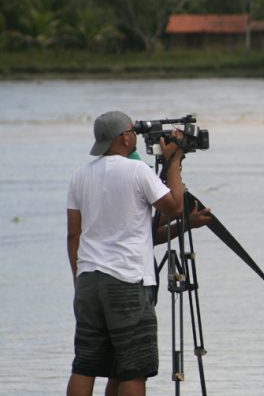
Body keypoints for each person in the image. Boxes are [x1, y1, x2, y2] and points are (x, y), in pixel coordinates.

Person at [66, 110, 185, 396]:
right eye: (132, 130)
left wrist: (78, 279)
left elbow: (73, 235)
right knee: (133, 368)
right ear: (124, 137)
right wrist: (174, 162)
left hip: (88, 280)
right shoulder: (137, 171)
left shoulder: (80, 175)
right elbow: (174, 206)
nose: (135, 134)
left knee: (85, 364)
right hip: (127, 280)